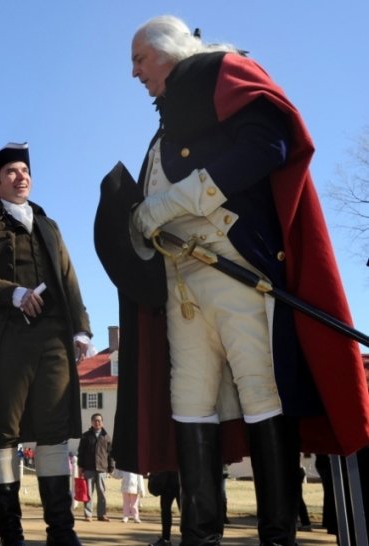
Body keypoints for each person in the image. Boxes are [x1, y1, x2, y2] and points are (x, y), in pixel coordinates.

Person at [96, 15, 369, 546]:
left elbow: (269, 146)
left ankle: (276, 537)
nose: (133, 73)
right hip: (180, 288)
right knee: (190, 401)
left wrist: (172, 202)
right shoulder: (162, 130)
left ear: (167, 50)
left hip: (237, 273)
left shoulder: (224, 71)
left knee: (262, 392)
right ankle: (200, 538)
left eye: (138, 59)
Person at [0, 142, 96, 546]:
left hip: (52, 339)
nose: (21, 177)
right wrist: (12, 293)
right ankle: (10, 535)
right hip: (6, 341)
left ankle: (62, 534)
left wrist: (81, 329)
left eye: (24, 170)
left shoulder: (49, 226)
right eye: (11, 172)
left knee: (53, 433)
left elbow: (68, 277)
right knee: (2, 434)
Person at [77, 414, 114, 522]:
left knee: (101, 492)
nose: (97, 423)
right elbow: (81, 453)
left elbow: (110, 454)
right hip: (89, 468)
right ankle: (88, 514)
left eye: (99, 421)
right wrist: (80, 467)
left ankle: (102, 514)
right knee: (88, 492)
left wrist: (111, 467)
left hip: (102, 468)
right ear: (92, 422)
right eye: (95, 421)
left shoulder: (106, 437)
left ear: (102, 422)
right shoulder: (85, 436)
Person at [148, 471, 181, 546]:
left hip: (178, 482)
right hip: (167, 483)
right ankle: (165, 539)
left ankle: (187, 538)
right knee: (165, 511)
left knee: (184, 513)